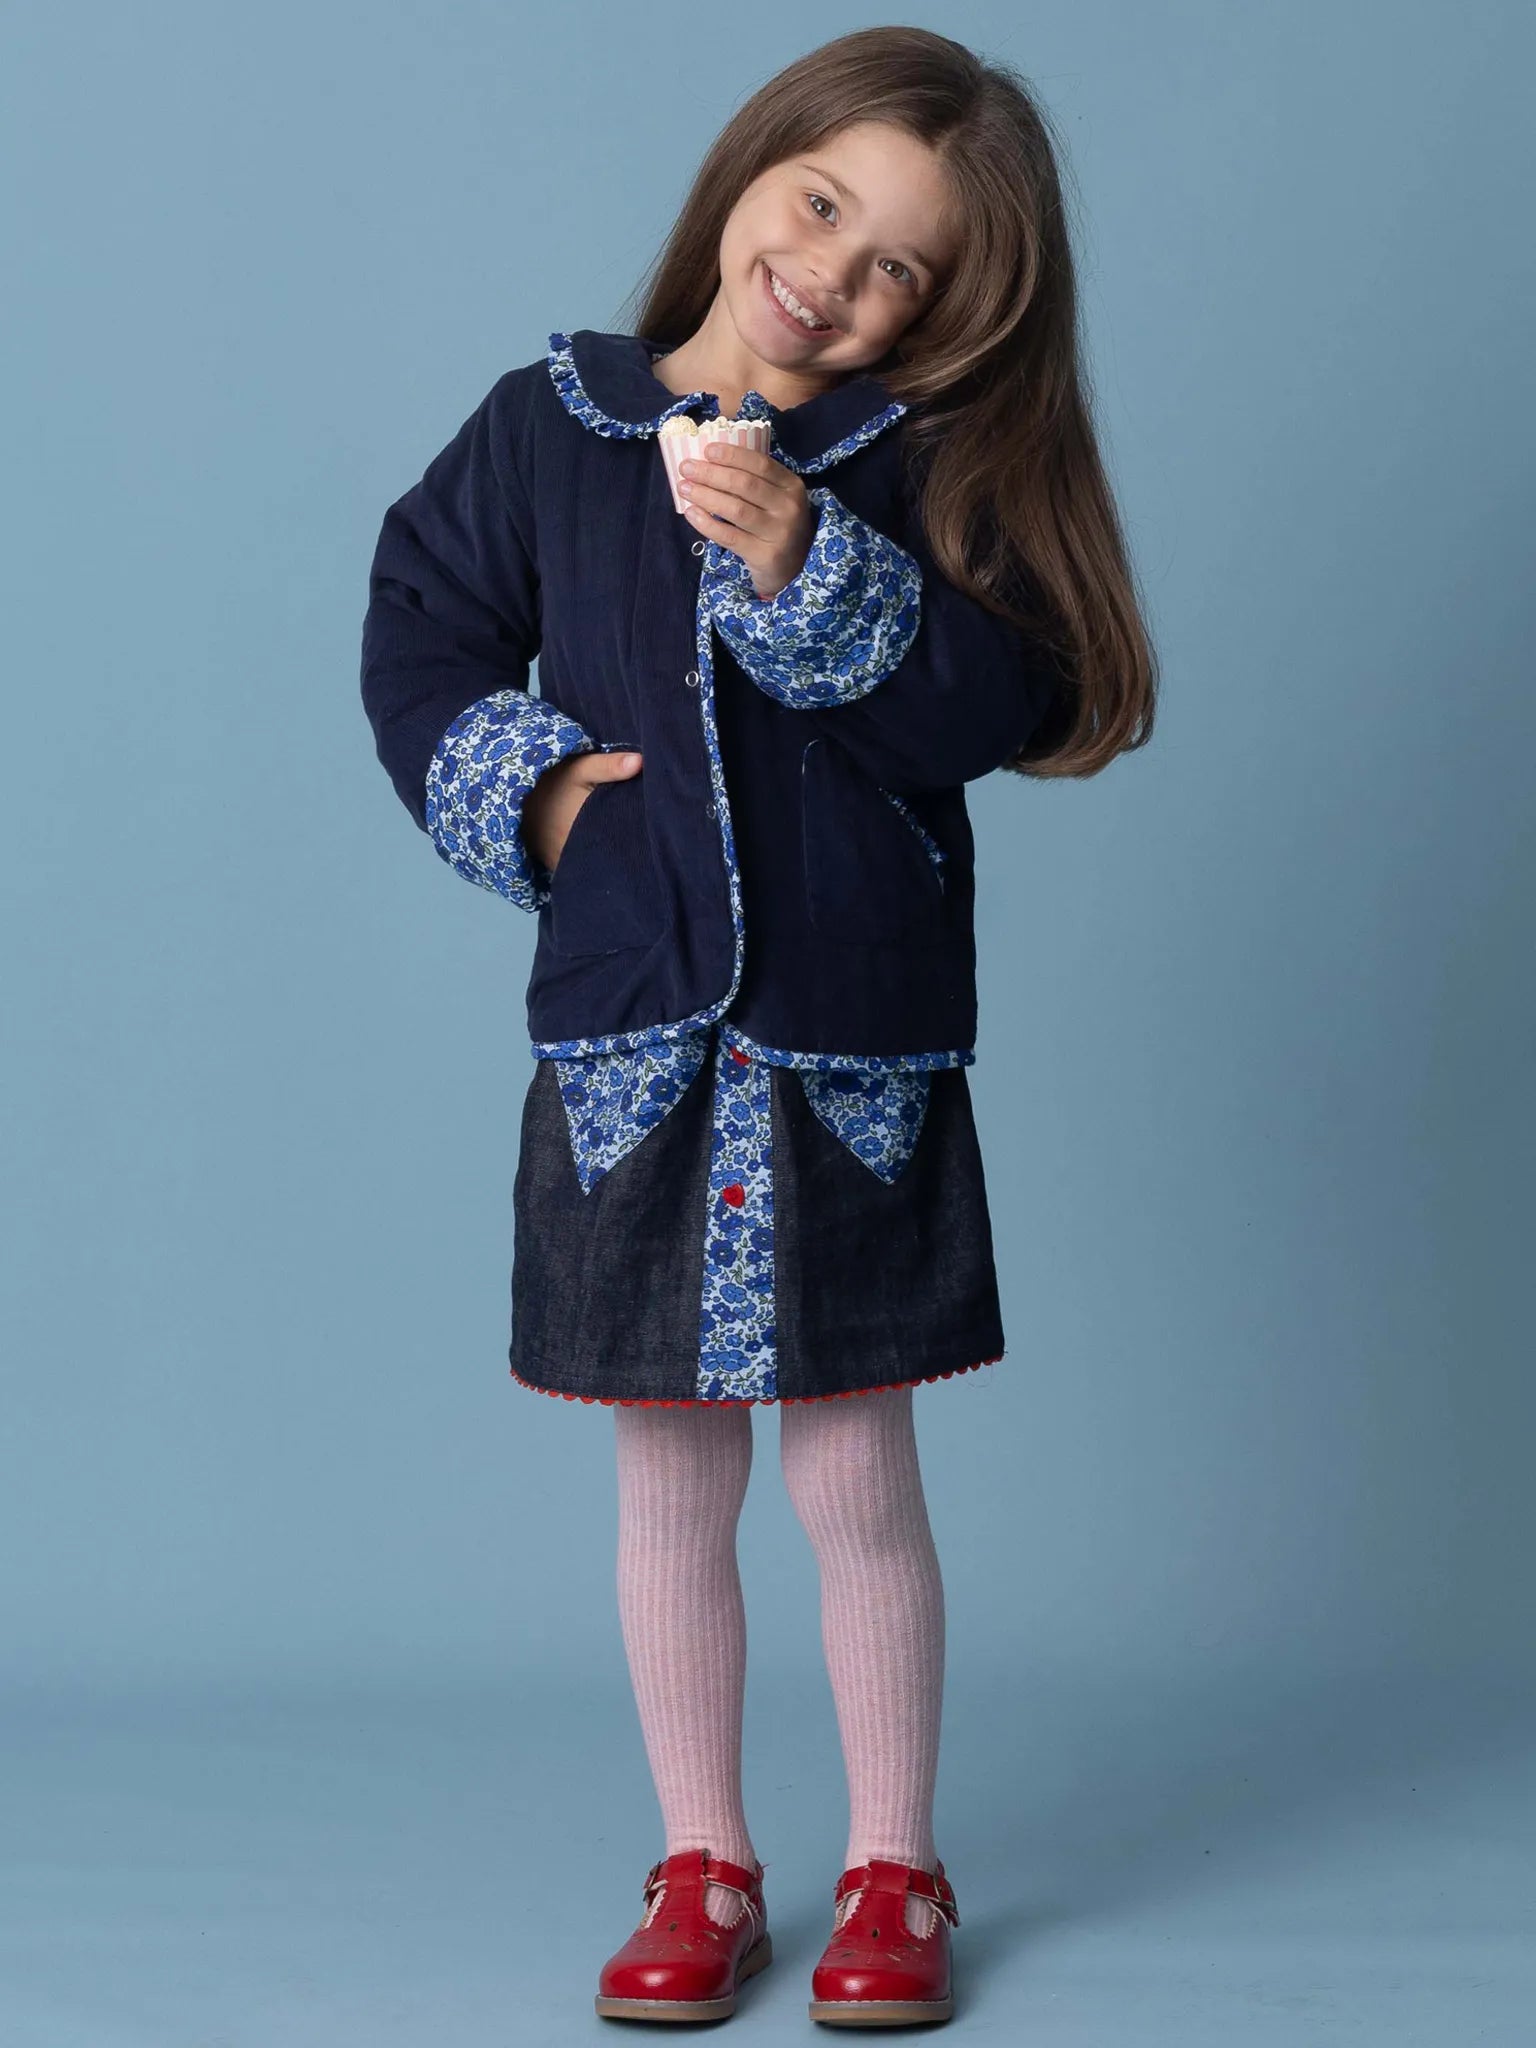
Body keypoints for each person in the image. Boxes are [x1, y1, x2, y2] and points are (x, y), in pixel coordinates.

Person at [359, 24, 1155, 2028]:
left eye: (905, 267)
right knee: (665, 1483)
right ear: (750, 173)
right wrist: (532, 790)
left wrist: (807, 563)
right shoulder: (545, 428)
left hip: (848, 1048)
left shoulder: (917, 468)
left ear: (948, 317)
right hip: (633, 1037)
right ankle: (705, 1859)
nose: (839, 275)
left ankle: (898, 1865)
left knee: (857, 1482)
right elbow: (421, 620)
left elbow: (985, 707)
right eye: (823, 207)